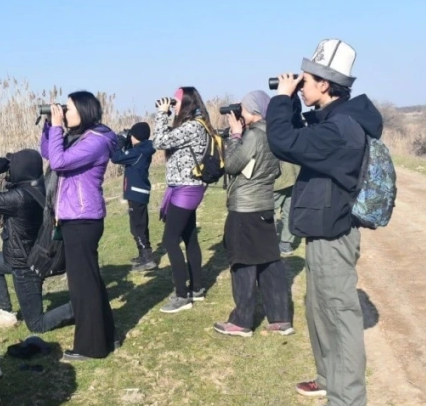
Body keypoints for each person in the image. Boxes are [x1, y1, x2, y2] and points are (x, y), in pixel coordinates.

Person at [267, 38, 383, 406]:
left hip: (335, 231)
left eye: (307, 79)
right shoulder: (336, 119)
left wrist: (283, 99)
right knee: (319, 312)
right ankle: (328, 380)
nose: (301, 84)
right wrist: (296, 103)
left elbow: (284, 141)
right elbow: (303, 139)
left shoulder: (343, 128)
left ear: (327, 85)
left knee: (338, 312)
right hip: (323, 226)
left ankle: (349, 401)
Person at [40, 91, 118, 361]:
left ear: (84, 111)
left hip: (82, 219)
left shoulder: (95, 142)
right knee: (90, 282)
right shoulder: (81, 137)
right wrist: (50, 126)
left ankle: (90, 347)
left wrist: (58, 127)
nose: (65, 112)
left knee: (82, 287)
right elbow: (48, 153)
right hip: (77, 217)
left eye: (68, 108)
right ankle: (107, 337)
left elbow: (59, 162)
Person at [212, 91, 294, 338]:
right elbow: (276, 171)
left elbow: (233, 164)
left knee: (243, 263)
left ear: (253, 111)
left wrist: (235, 135)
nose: (240, 114)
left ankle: (241, 321)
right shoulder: (272, 133)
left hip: (245, 209)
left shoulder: (254, 135)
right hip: (264, 206)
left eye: (244, 110)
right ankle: (280, 318)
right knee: (270, 262)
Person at [0, 149, 75, 332]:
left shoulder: (19, 198)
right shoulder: (40, 187)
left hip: (25, 266)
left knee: (36, 324)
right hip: (36, 254)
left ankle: (83, 307)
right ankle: (6, 314)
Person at [152, 87, 211, 313]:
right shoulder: (194, 124)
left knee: (169, 240)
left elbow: (159, 141)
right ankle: (196, 287)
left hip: (186, 188)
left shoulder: (193, 126)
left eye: (175, 102)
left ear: (186, 103)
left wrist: (161, 114)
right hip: (186, 186)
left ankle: (181, 295)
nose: (172, 106)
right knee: (189, 237)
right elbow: (167, 140)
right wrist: (168, 116)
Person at [111, 122, 157, 272]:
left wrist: (120, 142)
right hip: (139, 192)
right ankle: (143, 254)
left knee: (137, 227)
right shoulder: (143, 149)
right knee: (140, 225)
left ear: (136, 137)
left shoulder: (138, 152)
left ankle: (147, 259)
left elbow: (116, 158)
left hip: (136, 193)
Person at [273, 159, 299, 256]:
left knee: (269, 211)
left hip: (279, 178)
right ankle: (286, 245)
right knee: (289, 212)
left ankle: (270, 244)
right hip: (294, 175)